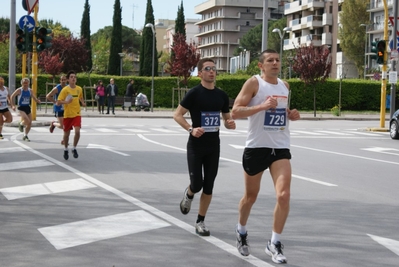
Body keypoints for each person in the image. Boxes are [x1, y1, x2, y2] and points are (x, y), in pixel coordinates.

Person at [231, 49, 300, 263]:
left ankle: (274, 242)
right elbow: (235, 111)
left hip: (280, 147)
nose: (275, 63)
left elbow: (282, 112)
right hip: (257, 147)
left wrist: (292, 115)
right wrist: (261, 106)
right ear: (261, 65)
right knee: (250, 197)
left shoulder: (285, 86)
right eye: (270, 60)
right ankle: (241, 230)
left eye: (278, 60)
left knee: (283, 196)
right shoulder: (253, 84)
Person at [173, 58, 236, 236]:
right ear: (200, 73)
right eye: (208, 69)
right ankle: (189, 193)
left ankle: (200, 221)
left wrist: (229, 123)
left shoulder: (221, 95)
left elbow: (226, 118)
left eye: (214, 69)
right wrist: (191, 129)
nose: (212, 72)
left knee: (208, 185)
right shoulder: (194, 93)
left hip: (213, 146)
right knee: (197, 184)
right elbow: (177, 115)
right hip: (196, 146)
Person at [56, 70, 86, 160]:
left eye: (74, 77)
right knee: (66, 135)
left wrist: (83, 103)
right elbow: (58, 102)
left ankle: (74, 148)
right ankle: (65, 149)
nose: (73, 78)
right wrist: (66, 102)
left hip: (77, 113)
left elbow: (80, 97)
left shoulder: (79, 89)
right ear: (68, 80)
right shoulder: (65, 90)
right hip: (68, 115)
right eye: (71, 77)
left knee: (77, 132)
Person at [10, 77, 41, 142]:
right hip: (21, 107)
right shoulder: (19, 90)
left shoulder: (30, 90)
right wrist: (13, 105)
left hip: (27, 107)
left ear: (28, 83)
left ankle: (25, 135)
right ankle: (21, 124)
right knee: (26, 120)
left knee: (30, 123)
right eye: (24, 83)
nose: (25, 84)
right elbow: (12, 96)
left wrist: (37, 101)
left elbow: (34, 98)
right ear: (22, 83)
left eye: (26, 83)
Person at [47, 75, 67, 144]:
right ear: (60, 80)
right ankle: (54, 123)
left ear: (66, 80)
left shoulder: (68, 87)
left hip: (66, 108)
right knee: (62, 126)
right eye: (62, 80)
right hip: (58, 108)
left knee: (66, 125)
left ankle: (64, 140)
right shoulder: (57, 88)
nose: (63, 81)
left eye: (64, 80)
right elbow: (48, 96)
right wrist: (55, 102)